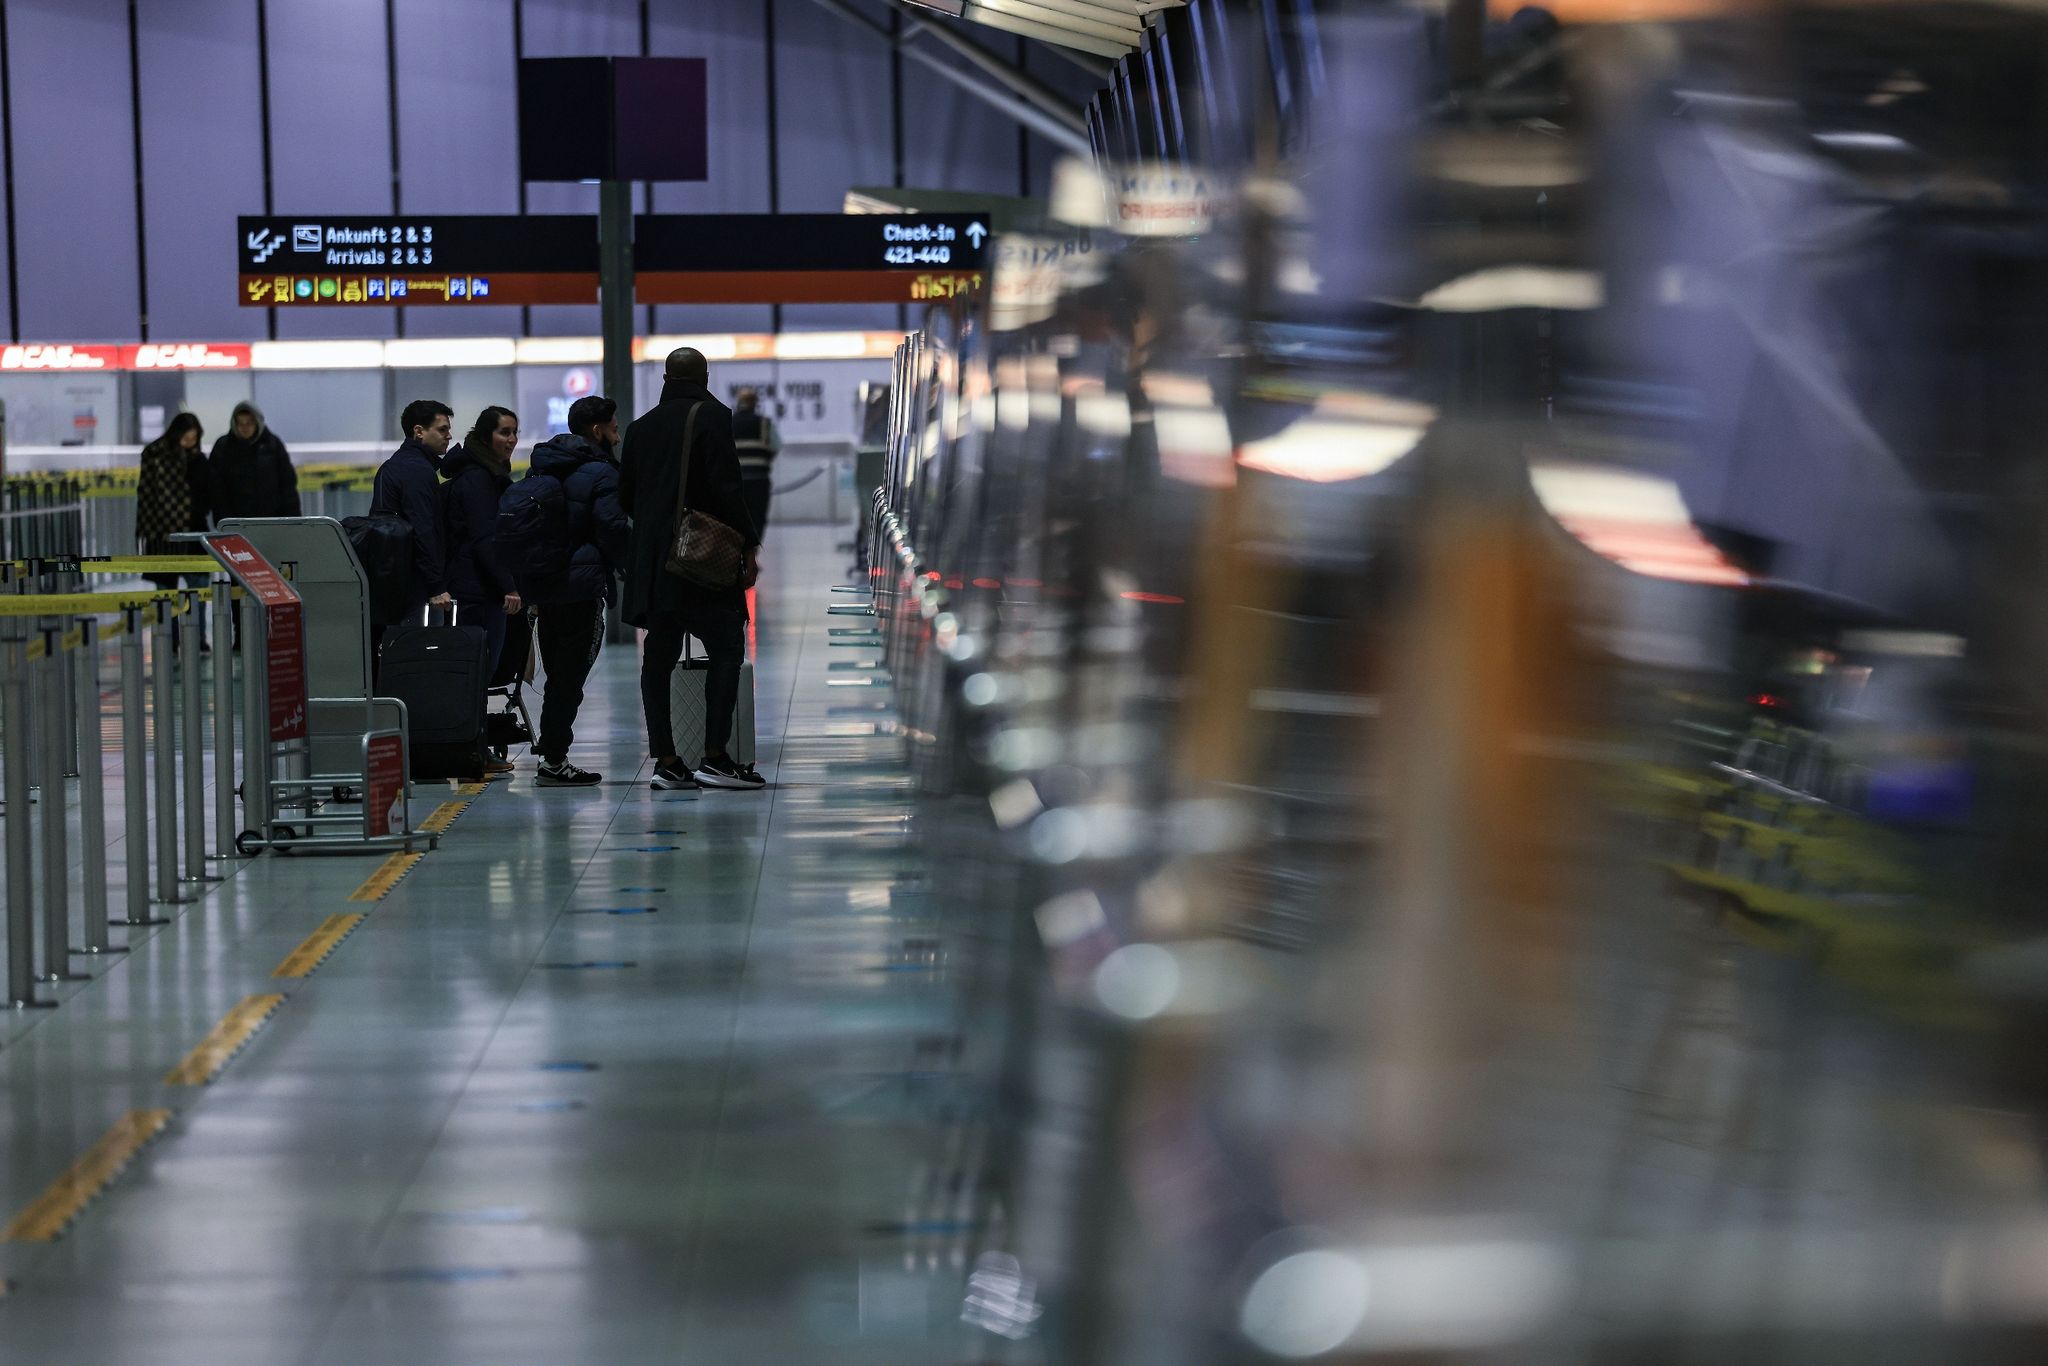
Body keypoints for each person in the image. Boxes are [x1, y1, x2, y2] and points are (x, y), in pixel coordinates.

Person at [620, 347, 763, 792]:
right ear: (705, 377)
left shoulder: (639, 427)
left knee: (657, 658)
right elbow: (726, 488)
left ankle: (666, 760)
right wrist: (748, 544)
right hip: (699, 563)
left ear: (666, 378)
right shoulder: (713, 416)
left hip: (653, 564)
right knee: (725, 648)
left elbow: (626, 497)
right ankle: (714, 756)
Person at [526, 394, 629, 788]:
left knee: (558, 675)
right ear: (597, 430)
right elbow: (612, 527)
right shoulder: (602, 473)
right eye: (615, 429)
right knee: (570, 677)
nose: (617, 438)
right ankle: (554, 758)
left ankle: (553, 752)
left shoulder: (545, 467)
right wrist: (629, 562)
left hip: (546, 584)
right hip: (580, 587)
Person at [443, 406, 523, 775]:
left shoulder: (482, 472)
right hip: (477, 589)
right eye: (504, 432)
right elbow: (484, 538)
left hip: (475, 585)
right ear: (485, 435)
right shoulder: (477, 478)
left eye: (514, 432)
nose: (511, 440)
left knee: (478, 674)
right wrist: (507, 585)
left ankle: (471, 748)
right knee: (479, 674)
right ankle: (473, 750)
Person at [368, 399, 454, 667]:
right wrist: (437, 586)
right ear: (419, 431)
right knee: (418, 662)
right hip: (413, 586)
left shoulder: (394, 465)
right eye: (442, 429)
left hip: (391, 582)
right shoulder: (417, 471)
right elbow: (423, 529)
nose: (449, 436)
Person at [135, 412, 213, 650]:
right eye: (186, 437)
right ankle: (171, 641)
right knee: (167, 594)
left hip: (191, 533)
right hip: (163, 536)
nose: (189, 443)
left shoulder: (199, 461)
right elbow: (147, 497)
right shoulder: (155, 456)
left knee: (197, 590)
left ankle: (196, 640)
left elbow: (207, 493)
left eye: (193, 438)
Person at [207, 400, 300, 522]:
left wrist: (292, 519)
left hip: (271, 520)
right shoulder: (223, 447)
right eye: (240, 423)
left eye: (249, 423)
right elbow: (216, 487)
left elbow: (287, 484)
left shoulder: (273, 445)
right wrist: (224, 518)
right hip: (234, 521)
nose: (244, 428)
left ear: (257, 422)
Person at [732, 387, 782, 536]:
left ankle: (738, 554)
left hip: (735, 480)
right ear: (755, 403)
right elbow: (776, 446)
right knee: (757, 518)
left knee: (736, 519)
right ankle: (752, 555)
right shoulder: (764, 424)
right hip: (759, 479)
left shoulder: (729, 423)